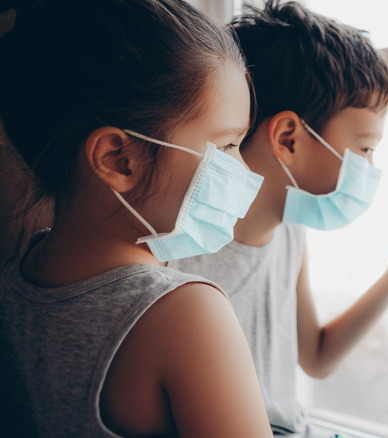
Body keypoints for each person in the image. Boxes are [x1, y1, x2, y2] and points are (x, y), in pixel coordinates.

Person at [168, 1, 388, 436]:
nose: (372, 168)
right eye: (365, 148)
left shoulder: (290, 232)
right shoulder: (183, 250)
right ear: (288, 138)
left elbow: (316, 357)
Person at [0, 0, 274, 437]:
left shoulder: (11, 285)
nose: (243, 170)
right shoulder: (186, 313)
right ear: (119, 159)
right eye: (226, 146)